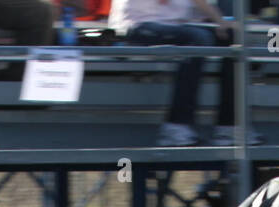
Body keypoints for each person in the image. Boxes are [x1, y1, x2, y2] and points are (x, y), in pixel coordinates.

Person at [110, 0, 264, 146]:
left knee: (234, 36)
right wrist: (219, 20)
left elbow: (196, 9)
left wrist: (222, 22)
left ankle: (230, 127)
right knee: (198, 39)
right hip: (138, 26)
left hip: (176, 26)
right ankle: (175, 127)